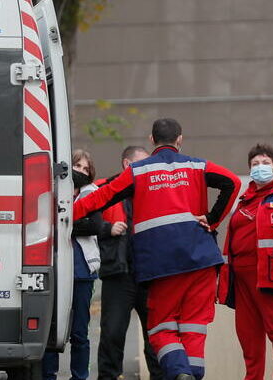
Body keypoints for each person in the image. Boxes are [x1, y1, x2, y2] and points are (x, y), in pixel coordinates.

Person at [73, 118, 241, 380]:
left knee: (161, 327)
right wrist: (212, 219)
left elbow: (100, 197)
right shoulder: (197, 165)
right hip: (202, 259)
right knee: (193, 327)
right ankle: (191, 374)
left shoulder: (138, 171)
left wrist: (66, 212)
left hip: (162, 264)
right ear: (180, 139)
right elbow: (232, 182)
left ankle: (179, 372)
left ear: (152, 140)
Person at [217, 143, 273, 380]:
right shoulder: (245, 198)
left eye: (265, 163)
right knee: (249, 343)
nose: (260, 167)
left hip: (271, 280)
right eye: (255, 164)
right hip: (242, 282)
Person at [96, 146, 164, 380]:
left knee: (156, 335)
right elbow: (81, 222)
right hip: (118, 273)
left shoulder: (156, 190)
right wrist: (107, 228)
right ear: (127, 164)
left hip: (150, 274)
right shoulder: (103, 188)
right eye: (142, 163)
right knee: (112, 334)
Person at [43, 149, 102, 380]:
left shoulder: (91, 193)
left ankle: (79, 376)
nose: (82, 172)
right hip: (54, 268)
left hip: (82, 271)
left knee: (80, 332)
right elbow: (45, 224)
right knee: (51, 329)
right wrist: (73, 224)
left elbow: (95, 226)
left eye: (86, 169)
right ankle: (48, 375)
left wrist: (64, 226)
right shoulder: (52, 192)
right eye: (78, 166)